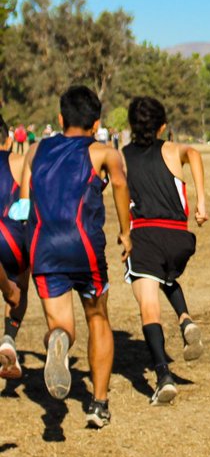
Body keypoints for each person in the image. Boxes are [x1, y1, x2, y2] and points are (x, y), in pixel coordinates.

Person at [22, 85, 131, 428]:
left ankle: (59, 341)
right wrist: (127, 233)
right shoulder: (103, 152)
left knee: (61, 325)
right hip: (83, 245)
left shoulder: (36, 150)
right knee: (98, 318)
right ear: (96, 122)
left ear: (59, 118)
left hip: (43, 245)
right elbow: (120, 185)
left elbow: (25, 201)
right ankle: (98, 404)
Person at [122, 97, 209, 405]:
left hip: (145, 234)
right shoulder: (172, 151)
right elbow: (195, 154)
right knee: (166, 276)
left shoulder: (122, 157)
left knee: (149, 305)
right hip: (178, 238)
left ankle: (163, 376)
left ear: (131, 125)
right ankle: (185, 318)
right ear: (163, 127)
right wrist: (200, 202)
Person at [0, 116, 30, 379]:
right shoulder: (19, 162)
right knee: (20, 286)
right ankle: (9, 337)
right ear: (9, 140)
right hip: (10, 236)